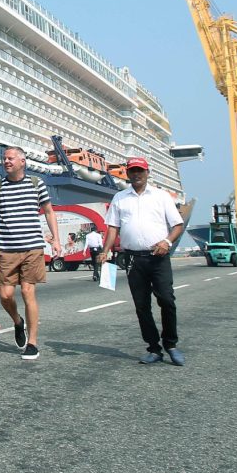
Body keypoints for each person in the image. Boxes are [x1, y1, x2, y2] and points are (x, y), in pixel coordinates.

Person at [99, 157, 186, 366]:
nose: (136, 174)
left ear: (148, 173)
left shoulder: (161, 196)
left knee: (167, 299)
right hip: (132, 258)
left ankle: (171, 344)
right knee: (141, 305)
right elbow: (113, 227)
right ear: (127, 174)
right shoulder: (120, 197)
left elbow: (177, 225)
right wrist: (105, 250)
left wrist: (167, 241)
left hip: (158, 256)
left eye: (140, 171)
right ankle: (154, 348)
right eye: (133, 171)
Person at [0, 146, 61, 361]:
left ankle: (32, 343)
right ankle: (18, 321)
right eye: (4, 158)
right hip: (7, 248)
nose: (6, 161)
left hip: (33, 247)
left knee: (27, 292)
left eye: (11, 158)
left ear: (22, 161)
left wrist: (56, 240)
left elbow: (49, 212)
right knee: (5, 295)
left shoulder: (36, 184)